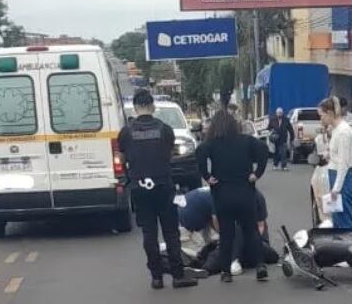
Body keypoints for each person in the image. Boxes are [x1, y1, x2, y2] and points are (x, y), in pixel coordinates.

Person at [117, 89, 198, 290]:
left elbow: (122, 157)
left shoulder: (126, 132)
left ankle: (156, 277)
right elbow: (168, 154)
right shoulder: (165, 129)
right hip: (163, 186)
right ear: (152, 106)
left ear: (135, 108)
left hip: (139, 188)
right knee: (171, 232)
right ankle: (178, 276)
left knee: (149, 233)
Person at [197, 110, 269, 283]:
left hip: (223, 194)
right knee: (251, 230)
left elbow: (199, 152)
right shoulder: (246, 141)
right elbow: (264, 150)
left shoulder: (211, 144)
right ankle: (260, 265)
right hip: (245, 192)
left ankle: (225, 272)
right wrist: (257, 173)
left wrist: (207, 176)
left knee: (227, 234)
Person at [178, 187, 278, 275]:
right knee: (207, 249)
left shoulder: (257, 197)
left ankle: (206, 264)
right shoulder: (225, 195)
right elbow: (215, 220)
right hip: (187, 217)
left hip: (253, 237)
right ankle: (199, 265)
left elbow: (261, 225)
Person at [318, 96, 352, 231]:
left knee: (344, 221)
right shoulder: (336, 130)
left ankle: (348, 250)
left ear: (330, 113)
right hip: (336, 176)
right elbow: (337, 155)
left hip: (343, 179)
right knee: (338, 220)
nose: (321, 119)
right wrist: (329, 154)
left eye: (322, 115)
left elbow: (343, 164)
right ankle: (341, 249)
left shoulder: (343, 132)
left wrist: (336, 189)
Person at [266, 107, 294, 171]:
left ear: (282, 113)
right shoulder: (273, 120)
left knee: (283, 152)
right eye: (278, 113)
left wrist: (292, 138)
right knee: (276, 153)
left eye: (280, 113)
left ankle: (284, 166)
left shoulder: (286, 120)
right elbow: (268, 128)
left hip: (283, 139)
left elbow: (290, 129)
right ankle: (275, 165)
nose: (279, 114)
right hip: (274, 140)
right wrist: (271, 132)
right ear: (276, 113)